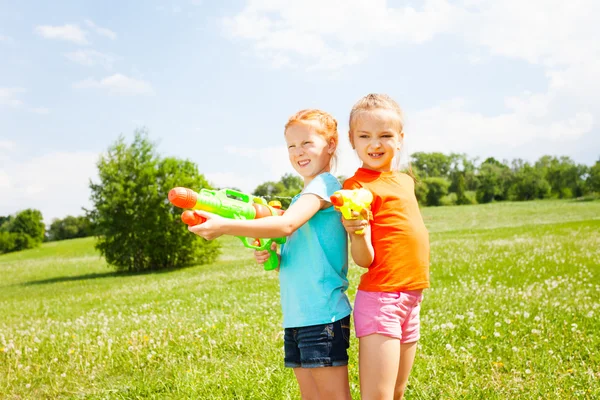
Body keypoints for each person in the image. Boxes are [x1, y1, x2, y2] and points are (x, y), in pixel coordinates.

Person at [189, 109, 353, 400]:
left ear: (330, 144)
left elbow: (286, 224)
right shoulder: (301, 197)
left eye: (307, 143)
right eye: (291, 146)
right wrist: (276, 255)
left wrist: (225, 226)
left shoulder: (326, 186)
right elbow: (300, 251)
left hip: (323, 315)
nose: (298, 152)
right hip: (298, 316)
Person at [340, 93, 430, 400]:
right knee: (378, 396)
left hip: (411, 297)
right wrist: (357, 232)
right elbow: (364, 260)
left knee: (397, 391)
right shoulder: (355, 188)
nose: (374, 144)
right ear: (352, 140)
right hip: (381, 300)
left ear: (400, 138)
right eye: (364, 136)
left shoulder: (405, 181)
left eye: (385, 135)